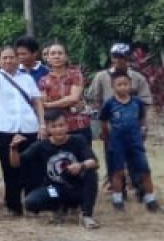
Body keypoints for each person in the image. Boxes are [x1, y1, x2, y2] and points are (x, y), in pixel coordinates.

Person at [0, 29, 46, 217]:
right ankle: (13, 206)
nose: (8, 61)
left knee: (31, 168)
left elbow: (37, 102)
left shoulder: (27, 78)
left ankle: (32, 204)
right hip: (4, 130)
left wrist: (42, 124)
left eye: (12, 57)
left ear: (17, 60)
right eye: (4, 58)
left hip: (29, 128)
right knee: (9, 169)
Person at [16, 110, 100, 229]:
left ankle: (86, 215)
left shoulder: (78, 140)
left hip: (77, 187)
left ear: (67, 126)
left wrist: (81, 166)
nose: (58, 129)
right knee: (30, 202)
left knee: (91, 173)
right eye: (54, 126)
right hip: (55, 188)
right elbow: (17, 163)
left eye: (61, 125)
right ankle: (58, 208)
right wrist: (13, 149)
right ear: (48, 129)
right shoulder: (40, 145)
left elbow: (94, 162)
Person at [100, 72, 157, 212]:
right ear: (113, 87)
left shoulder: (137, 102)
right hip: (117, 142)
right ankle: (118, 199)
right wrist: (108, 137)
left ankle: (150, 199)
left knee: (144, 170)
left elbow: (141, 118)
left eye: (126, 84)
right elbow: (104, 121)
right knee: (117, 171)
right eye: (119, 84)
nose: (123, 87)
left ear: (130, 85)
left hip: (135, 142)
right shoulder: (109, 103)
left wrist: (143, 130)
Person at [38, 42, 89, 143]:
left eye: (60, 53)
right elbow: (42, 103)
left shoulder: (75, 74)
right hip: (55, 129)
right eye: (52, 54)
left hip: (78, 125)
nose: (56, 56)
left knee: (83, 158)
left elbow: (74, 98)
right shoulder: (44, 80)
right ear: (47, 58)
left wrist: (49, 104)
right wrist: (66, 102)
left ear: (66, 57)